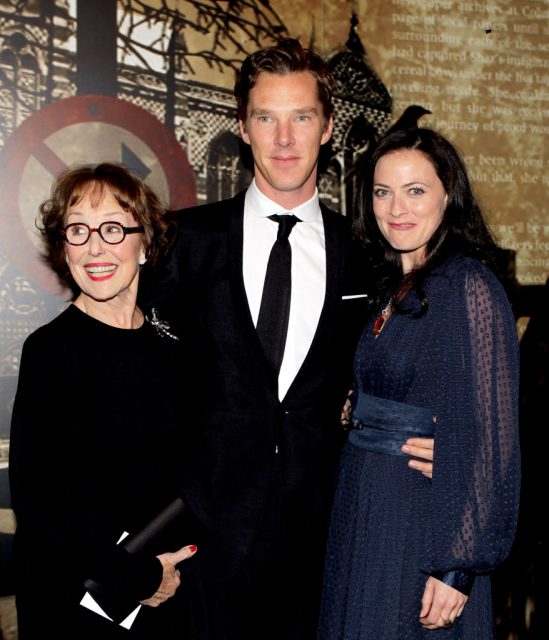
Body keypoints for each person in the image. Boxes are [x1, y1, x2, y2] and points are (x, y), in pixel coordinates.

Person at [143, 39, 434, 640]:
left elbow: (403, 372)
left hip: (324, 545)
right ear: (243, 128)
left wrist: (440, 441)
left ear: (327, 127)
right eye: (265, 118)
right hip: (200, 550)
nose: (284, 139)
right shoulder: (182, 242)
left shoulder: (368, 256)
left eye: (300, 117)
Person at [318, 127, 521, 639]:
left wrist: (458, 567)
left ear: (447, 194)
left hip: (418, 521)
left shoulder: (468, 284)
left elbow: (494, 435)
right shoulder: (391, 284)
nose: (396, 208)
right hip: (366, 508)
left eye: (415, 190)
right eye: (383, 191)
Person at [9, 163, 197, 639]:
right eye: (78, 230)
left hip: (167, 597)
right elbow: (39, 502)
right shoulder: (50, 351)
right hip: (75, 604)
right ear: (63, 246)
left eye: (113, 228)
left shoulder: (173, 349)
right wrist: (135, 575)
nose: (95, 247)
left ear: (147, 242)